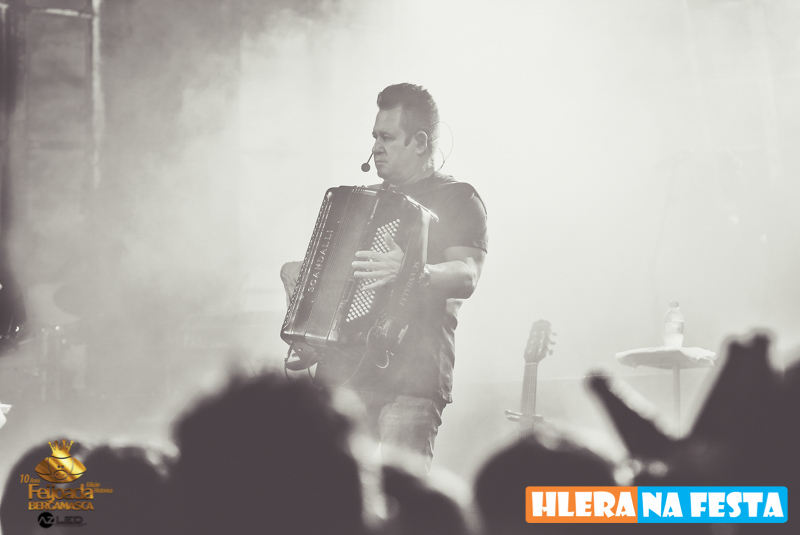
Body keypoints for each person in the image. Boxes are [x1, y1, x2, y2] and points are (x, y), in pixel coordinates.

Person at [282, 83, 488, 472]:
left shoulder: (459, 198)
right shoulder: (357, 201)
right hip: (343, 377)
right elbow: (337, 283)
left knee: (402, 494)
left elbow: (467, 273)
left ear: (420, 142)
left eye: (388, 138)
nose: (376, 147)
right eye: (375, 137)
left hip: (411, 381)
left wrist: (413, 272)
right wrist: (304, 304)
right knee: (336, 492)